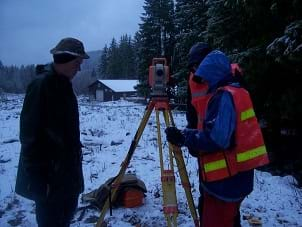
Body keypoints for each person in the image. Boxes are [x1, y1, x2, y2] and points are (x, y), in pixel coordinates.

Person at [165, 49, 269, 227]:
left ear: (212, 73)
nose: (203, 81)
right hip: (238, 177)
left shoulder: (224, 96)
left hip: (225, 182)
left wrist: (184, 137)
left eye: (205, 76)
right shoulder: (239, 91)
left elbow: (217, 139)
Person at [15, 37, 89, 227]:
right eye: (77, 63)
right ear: (65, 59)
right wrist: (37, 179)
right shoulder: (41, 86)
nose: (79, 69)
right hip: (49, 179)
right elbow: (29, 137)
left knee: (64, 220)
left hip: (66, 177)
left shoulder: (64, 85)